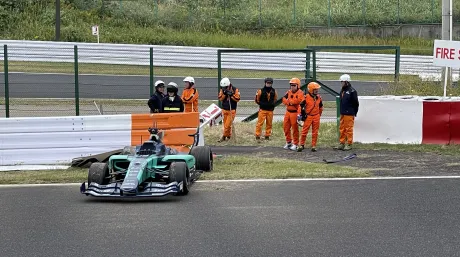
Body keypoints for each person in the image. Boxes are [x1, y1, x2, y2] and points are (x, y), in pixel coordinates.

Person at [335, 74, 359, 150]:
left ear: (346, 82)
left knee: (349, 129)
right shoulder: (342, 90)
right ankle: (342, 143)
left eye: (342, 82)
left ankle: (349, 143)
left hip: (349, 113)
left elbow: (356, 103)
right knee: (342, 128)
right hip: (343, 112)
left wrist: (354, 112)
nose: (341, 83)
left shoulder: (352, 91)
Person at [297, 82, 323, 152]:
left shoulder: (319, 98)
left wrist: (319, 115)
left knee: (315, 132)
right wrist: (299, 116)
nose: (317, 91)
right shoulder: (306, 98)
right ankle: (301, 145)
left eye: (317, 89)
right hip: (308, 116)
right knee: (304, 131)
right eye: (315, 89)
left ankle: (313, 145)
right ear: (311, 90)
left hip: (316, 116)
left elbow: (321, 107)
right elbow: (300, 107)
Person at [282, 78, 305, 151]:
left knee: (295, 129)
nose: (292, 87)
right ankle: (288, 142)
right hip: (288, 112)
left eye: (294, 85)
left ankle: (295, 143)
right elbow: (283, 99)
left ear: (298, 85)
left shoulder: (300, 93)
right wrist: (289, 102)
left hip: (295, 113)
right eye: (291, 85)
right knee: (286, 127)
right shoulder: (288, 92)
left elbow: (299, 102)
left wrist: (290, 101)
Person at [217, 77, 240, 142]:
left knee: (227, 125)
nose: (223, 88)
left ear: (228, 85)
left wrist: (231, 95)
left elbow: (237, 99)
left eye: (225, 87)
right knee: (225, 125)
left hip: (231, 110)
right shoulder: (222, 90)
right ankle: (229, 136)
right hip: (224, 109)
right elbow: (220, 98)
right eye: (222, 87)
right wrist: (224, 94)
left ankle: (223, 137)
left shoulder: (235, 89)